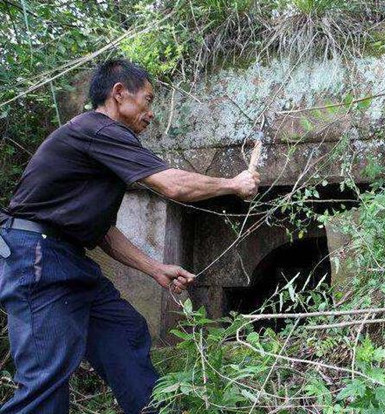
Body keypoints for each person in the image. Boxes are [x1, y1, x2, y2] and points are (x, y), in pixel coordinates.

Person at [0, 59, 260, 414]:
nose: (151, 113)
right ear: (119, 94)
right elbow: (173, 185)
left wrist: (153, 267)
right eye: (148, 100)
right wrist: (233, 184)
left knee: (124, 332)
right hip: (36, 259)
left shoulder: (100, 145)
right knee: (45, 381)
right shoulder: (99, 130)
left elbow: (103, 231)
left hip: (66, 258)